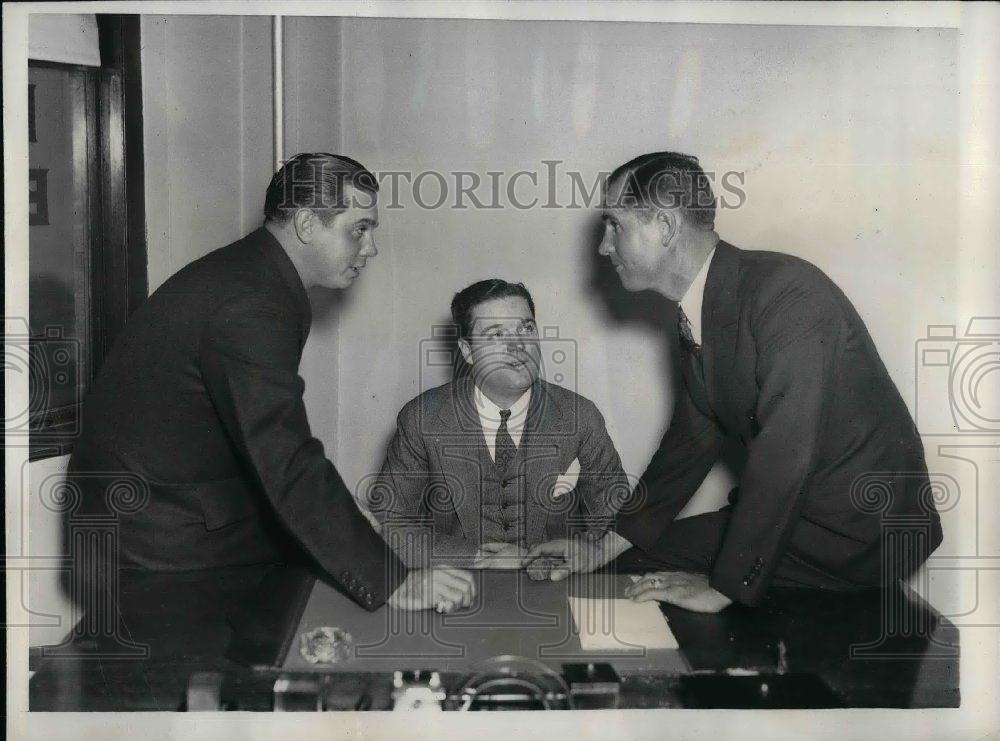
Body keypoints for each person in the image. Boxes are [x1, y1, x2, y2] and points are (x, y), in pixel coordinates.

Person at [526, 151, 941, 612]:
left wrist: (722, 587)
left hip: (859, 537)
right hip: (802, 522)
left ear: (664, 227)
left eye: (615, 225)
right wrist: (602, 546)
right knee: (625, 563)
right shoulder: (708, 305)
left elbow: (786, 449)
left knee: (664, 588)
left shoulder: (788, 294)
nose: (604, 246)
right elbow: (692, 438)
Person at [68, 153, 475, 613]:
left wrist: (353, 532)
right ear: (306, 224)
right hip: (153, 538)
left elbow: (258, 444)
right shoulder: (252, 303)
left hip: (168, 513)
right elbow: (284, 455)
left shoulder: (255, 276)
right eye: (359, 228)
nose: (370, 248)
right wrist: (392, 580)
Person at [367, 279, 630, 571]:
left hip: (555, 586)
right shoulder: (422, 418)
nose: (518, 346)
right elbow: (388, 522)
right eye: (496, 335)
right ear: (467, 351)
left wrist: (580, 554)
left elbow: (617, 520)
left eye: (526, 329)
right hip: (456, 583)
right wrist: (480, 558)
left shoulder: (580, 416)